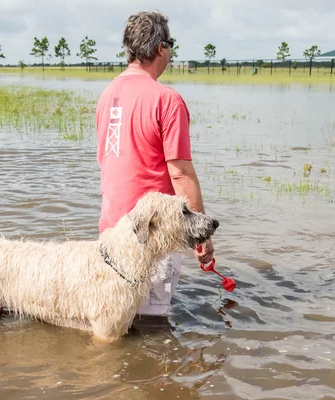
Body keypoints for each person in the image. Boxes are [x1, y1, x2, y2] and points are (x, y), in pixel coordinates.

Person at [95, 11, 215, 317]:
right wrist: (200, 234)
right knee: (151, 331)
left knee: (118, 320)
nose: (171, 52)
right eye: (171, 44)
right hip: (153, 237)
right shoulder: (167, 99)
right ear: (161, 47)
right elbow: (181, 174)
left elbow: (106, 162)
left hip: (111, 238)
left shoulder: (107, 95)